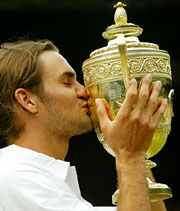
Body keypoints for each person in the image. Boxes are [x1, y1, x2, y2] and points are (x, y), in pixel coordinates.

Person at [0, 39, 167, 211]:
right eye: (67, 83)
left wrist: (135, 141)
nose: (84, 91)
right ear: (28, 100)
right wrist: (130, 154)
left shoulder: (36, 177)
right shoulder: (16, 177)